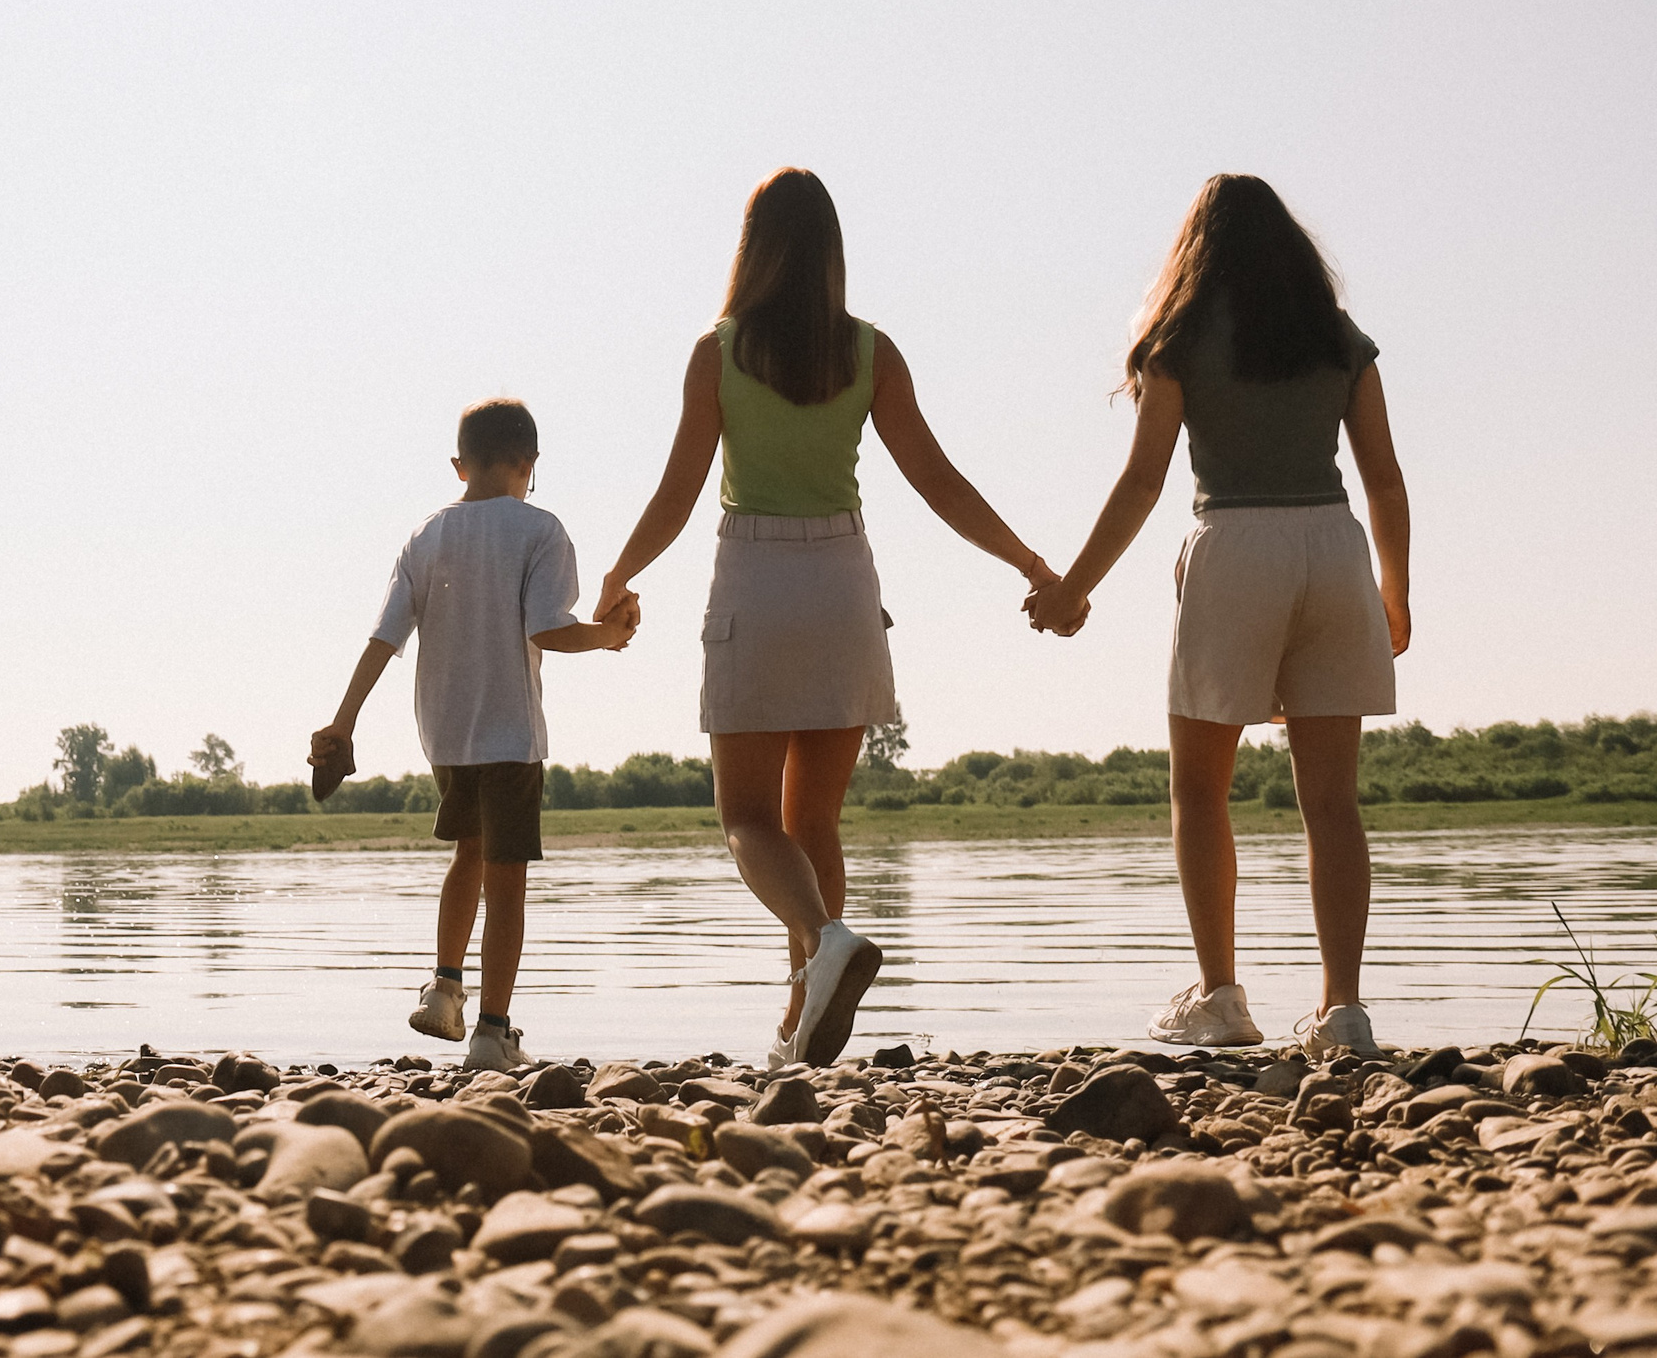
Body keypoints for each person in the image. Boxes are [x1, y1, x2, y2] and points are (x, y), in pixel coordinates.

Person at [597, 169, 1057, 1067]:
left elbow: (679, 492)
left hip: (757, 580)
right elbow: (939, 480)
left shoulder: (717, 351)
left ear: (754, 248)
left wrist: (618, 574)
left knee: (745, 818)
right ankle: (801, 1017)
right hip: (846, 583)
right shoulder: (871, 351)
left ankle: (823, 943)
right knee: (814, 824)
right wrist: (1032, 565)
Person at [1027, 174, 1409, 1057]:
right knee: (1332, 800)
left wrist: (1074, 585)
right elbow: (1384, 474)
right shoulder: (1338, 338)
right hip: (1332, 544)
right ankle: (1343, 1010)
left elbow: (1143, 478)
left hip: (1233, 543)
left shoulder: (1179, 338)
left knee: (1200, 787)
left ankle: (1221, 996)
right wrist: (1396, 585)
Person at [310, 397, 635, 1071]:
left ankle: (445, 984)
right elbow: (547, 627)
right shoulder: (541, 530)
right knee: (506, 879)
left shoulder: (427, 535)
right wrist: (608, 636)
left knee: (467, 855)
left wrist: (343, 720)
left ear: (460, 464)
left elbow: (385, 635)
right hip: (511, 733)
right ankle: (492, 1030)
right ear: (530, 462)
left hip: (446, 734)